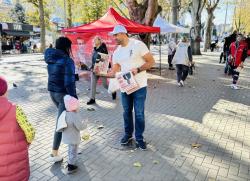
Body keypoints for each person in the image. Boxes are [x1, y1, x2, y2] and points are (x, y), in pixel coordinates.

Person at [107, 25, 155, 150]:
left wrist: (138, 69)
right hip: (125, 87)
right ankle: (128, 135)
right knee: (126, 112)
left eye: (116, 35)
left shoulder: (138, 45)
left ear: (123, 33)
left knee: (139, 113)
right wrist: (104, 72)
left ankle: (139, 137)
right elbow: (115, 69)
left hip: (140, 86)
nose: (114, 37)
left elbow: (151, 62)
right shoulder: (117, 51)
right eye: (114, 35)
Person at [44, 37, 78, 162]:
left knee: (62, 120)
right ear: (66, 47)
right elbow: (69, 83)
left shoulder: (50, 57)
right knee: (61, 124)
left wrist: (76, 76)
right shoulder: (67, 60)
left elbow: (58, 75)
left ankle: (66, 150)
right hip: (63, 95)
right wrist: (74, 97)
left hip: (52, 92)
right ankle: (54, 153)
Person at [0, 76, 35, 181]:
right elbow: (30, 132)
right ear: (5, 91)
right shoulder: (16, 110)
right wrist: (24, 145)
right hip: (17, 167)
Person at [56, 95, 87, 174]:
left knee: (71, 149)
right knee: (73, 150)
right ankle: (71, 166)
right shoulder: (74, 115)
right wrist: (85, 123)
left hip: (67, 136)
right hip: (73, 137)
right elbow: (80, 126)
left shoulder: (64, 113)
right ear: (74, 106)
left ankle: (71, 160)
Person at [87, 36, 116, 105]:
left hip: (101, 70)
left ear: (99, 41)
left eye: (95, 39)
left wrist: (98, 69)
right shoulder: (94, 49)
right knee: (92, 85)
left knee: (105, 85)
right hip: (94, 70)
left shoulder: (103, 49)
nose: (94, 41)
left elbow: (104, 60)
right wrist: (92, 67)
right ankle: (92, 99)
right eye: (94, 39)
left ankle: (113, 91)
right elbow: (93, 60)